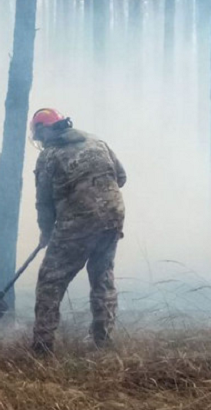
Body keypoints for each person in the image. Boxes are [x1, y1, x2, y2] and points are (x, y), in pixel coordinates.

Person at [30, 108, 126, 355]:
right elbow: (121, 177)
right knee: (102, 278)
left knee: (50, 282)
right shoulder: (97, 143)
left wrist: (46, 232)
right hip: (112, 219)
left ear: (44, 130)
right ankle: (103, 343)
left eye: (39, 135)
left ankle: (42, 348)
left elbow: (44, 202)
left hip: (78, 224)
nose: (39, 141)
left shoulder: (50, 156)